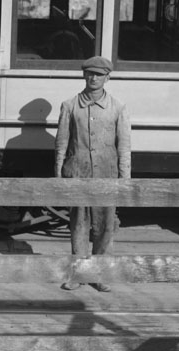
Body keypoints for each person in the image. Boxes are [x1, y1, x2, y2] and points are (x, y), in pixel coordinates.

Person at [54, 56, 131, 293]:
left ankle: (100, 274)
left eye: (99, 74)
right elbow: (61, 143)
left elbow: (124, 146)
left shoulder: (118, 107)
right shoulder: (70, 106)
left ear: (108, 77)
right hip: (77, 173)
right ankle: (78, 273)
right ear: (84, 75)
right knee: (78, 224)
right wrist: (58, 177)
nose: (94, 78)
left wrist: (124, 180)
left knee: (105, 226)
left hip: (107, 176)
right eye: (90, 73)